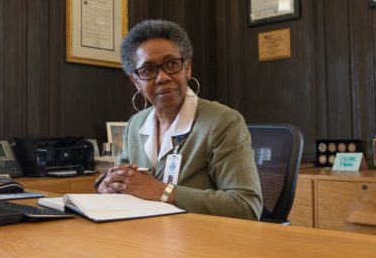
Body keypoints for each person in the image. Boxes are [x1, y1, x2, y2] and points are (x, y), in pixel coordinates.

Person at [95, 19, 262, 220]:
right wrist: (108, 185)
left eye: (172, 64)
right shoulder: (135, 125)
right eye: (148, 70)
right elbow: (124, 182)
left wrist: (163, 192)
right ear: (136, 81)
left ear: (187, 68)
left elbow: (246, 207)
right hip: (145, 238)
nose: (162, 77)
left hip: (202, 242)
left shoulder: (223, 122)